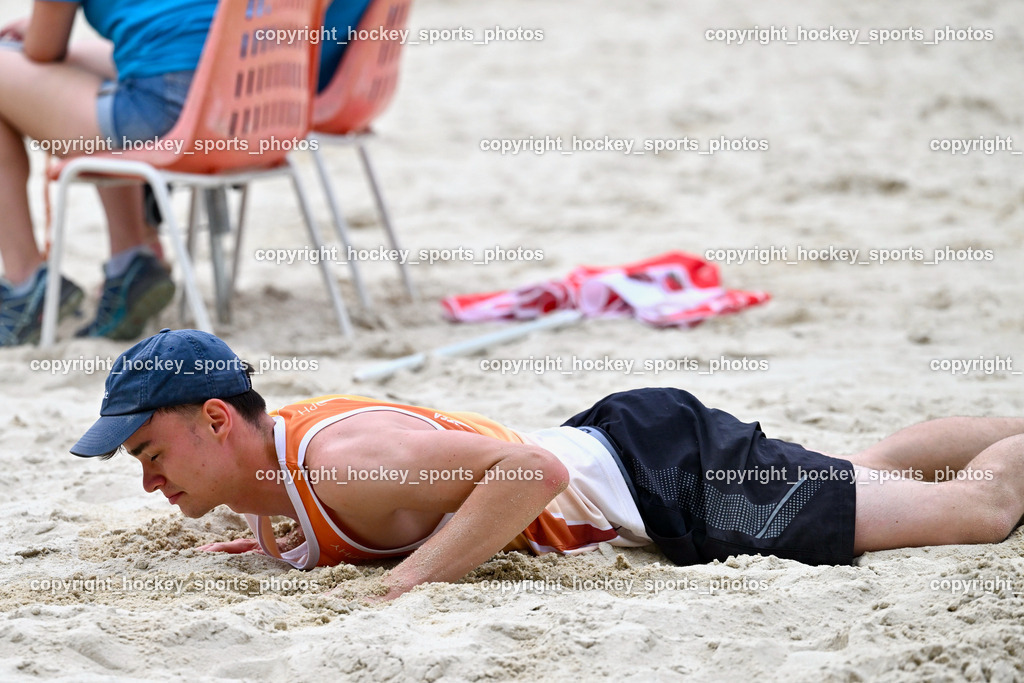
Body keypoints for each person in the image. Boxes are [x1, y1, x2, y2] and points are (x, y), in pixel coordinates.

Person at [71, 329, 1024, 603]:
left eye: (149, 453)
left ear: (213, 419)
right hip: (629, 451)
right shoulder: (279, 472)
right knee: (852, 470)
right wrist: (275, 537)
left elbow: (520, 472)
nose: (149, 481)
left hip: (666, 480)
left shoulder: (344, 465)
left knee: (980, 512)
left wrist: (410, 579)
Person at [0, 1, 370, 346]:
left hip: (171, 113)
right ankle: (130, 259)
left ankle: (25, 281)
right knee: (104, 72)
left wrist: (34, 34)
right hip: (256, 101)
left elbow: (43, 51)